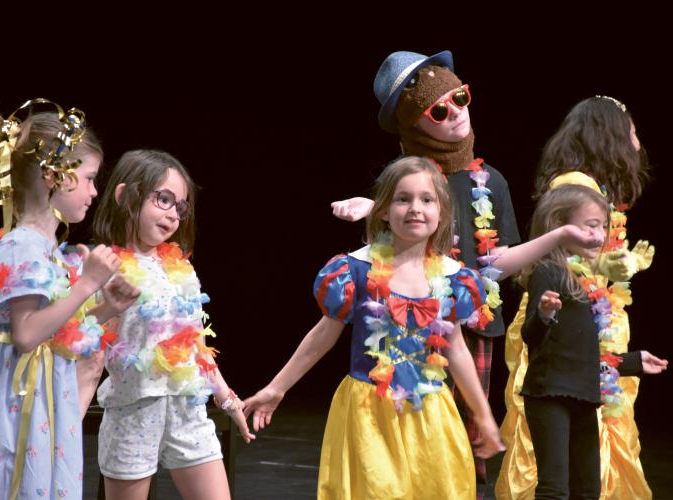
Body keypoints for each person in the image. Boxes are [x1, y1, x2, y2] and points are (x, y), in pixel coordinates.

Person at [331, 50, 604, 498]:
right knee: (413, 443)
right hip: (412, 331)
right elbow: (382, 259)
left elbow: (498, 263)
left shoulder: (489, 181)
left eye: (460, 97)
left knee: (470, 444)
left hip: (474, 325)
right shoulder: (407, 185)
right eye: (439, 110)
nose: (456, 113)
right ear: (413, 124)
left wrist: (559, 237)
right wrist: (372, 209)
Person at [245, 156, 505, 499]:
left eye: (427, 200)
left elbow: (455, 349)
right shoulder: (356, 270)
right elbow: (322, 336)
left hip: (429, 411)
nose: (415, 208)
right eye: (403, 199)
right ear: (382, 210)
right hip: (370, 412)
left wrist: (484, 416)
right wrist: (277, 388)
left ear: (441, 213)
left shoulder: (452, 278)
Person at [0, 99, 138, 500]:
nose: (93, 191)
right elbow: (25, 334)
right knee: (18, 480)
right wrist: (86, 285)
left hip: (46, 392)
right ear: (55, 176)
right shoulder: (22, 245)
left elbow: (57, 328)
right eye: (88, 178)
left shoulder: (48, 248)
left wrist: (108, 308)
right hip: (20, 397)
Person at [497, 96, 656, 500]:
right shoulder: (574, 187)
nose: (637, 141)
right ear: (610, 137)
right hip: (562, 315)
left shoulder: (595, 189)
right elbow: (561, 257)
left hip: (590, 320)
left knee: (591, 443)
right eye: (631, 131)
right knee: (558, 465)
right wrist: (615, 266)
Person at [91, 149, 254, 500]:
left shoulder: (180, 269)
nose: (172, 214)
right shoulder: (103, 264)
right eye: (163, 199)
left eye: (180, 207)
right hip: (132, 411)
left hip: (187, 408)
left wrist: (227, 399)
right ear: (125, 196)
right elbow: (80, 338)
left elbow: (196, 343)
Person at [515, 182, 667, 498]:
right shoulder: (548, 271)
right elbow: (531, 337)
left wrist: (634, 362)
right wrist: (543, 315)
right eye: (591, 225)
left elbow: (584, 354)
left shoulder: (586, 281)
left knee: (588, 489)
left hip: (583, 396)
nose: (599, 235)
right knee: (555, 488)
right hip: (550, 395)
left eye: (603, 227)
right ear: (558, 224)